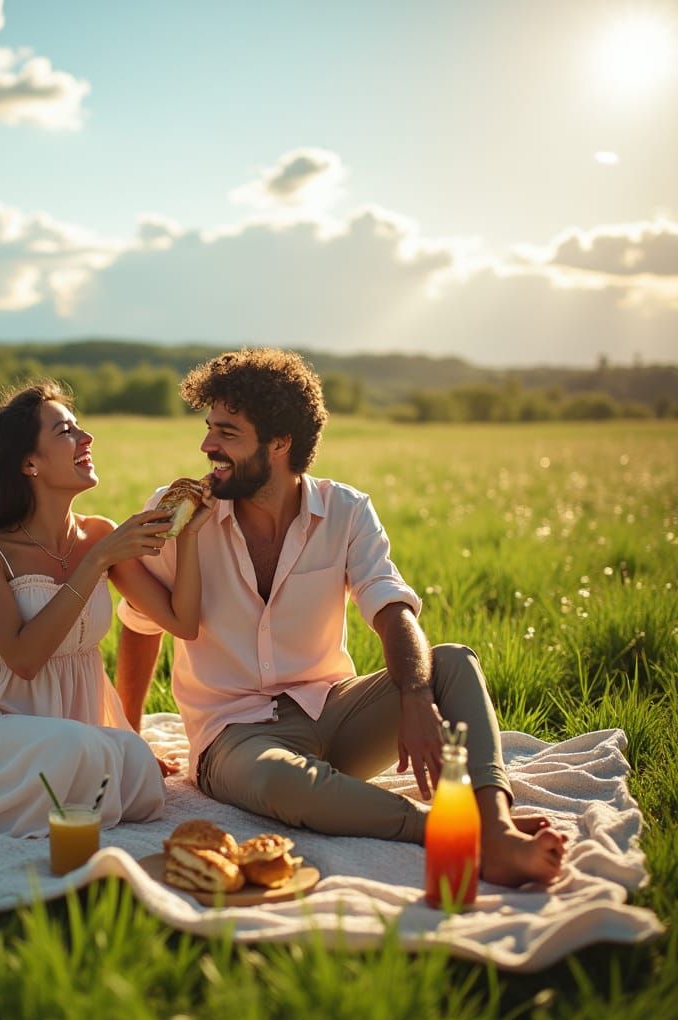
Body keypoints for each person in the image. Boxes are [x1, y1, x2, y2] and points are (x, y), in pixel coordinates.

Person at [116, 349, 567, 887]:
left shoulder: (347, 510)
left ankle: (496, 827)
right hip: (234, 737)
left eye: (227, 432)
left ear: (279, 443)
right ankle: (449, 829)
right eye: (210, 428)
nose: (207, 446)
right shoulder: (183, 513)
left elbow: (391, 605)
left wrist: (416, 695)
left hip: (330, 709)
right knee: (282, 783)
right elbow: (140, 621)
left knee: (452, 662)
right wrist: (129, 734)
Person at [0, 381, 209, 837]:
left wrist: (190, 535)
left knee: (136, 762)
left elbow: (183, 623)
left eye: (79, 428)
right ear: (28, 463)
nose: (86, 439)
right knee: (77, 750)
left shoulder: (100, 534)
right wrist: (96, 561)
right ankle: (85, 762)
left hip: (72, 724)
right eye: (65, 431)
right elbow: (24, 659)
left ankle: (93, 760)